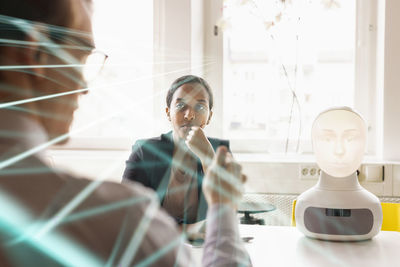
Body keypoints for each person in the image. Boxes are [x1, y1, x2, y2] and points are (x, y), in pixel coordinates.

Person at [0, 0, 251, 266]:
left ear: (210, 114)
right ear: (37, 52)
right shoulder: (126, 220)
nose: (84, 88)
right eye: (81, 57)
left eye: (200, 106)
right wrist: (223, 208)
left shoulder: (218, 150)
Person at [123, 75, 229, 224]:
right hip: (156, 241)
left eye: (199, 107)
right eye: (180, 106)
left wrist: (208, 157)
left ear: (209, 116)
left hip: (202, 245)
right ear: (168, 113)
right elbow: (128, 210)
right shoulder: (145, 151)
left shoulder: (221, 151)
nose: (190, 115)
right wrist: (187, 231)